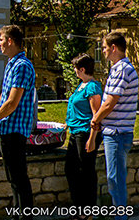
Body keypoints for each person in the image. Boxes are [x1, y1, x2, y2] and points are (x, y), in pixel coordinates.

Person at [0, 24, 36, 209]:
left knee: (19, 179)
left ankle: (24, 215)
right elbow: (3, 97)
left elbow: (12, 102)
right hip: (7, 129)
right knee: (13, 179)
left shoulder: (22, 66)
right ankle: (18, 213)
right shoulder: (12, 64)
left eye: (2, 40)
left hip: (15, 131)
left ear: (10, 41)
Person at [91, 29, 138, 207]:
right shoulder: (120, 69)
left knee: (115, 180)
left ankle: (121, 216)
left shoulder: (121, 70)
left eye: (103, 48)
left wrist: (95, 119)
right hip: (118, 132)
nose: (102, 51)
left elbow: (110, 102)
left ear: (113, 48)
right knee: (115, 179)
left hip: (117, 133)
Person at [64, 52, 103, 209]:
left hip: (86, 133)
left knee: (85, 171)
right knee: (71, 169)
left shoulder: (92, 87)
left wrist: (92, 138)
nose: (74, 70)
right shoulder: (81, 86)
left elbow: (96, 115)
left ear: (81, 69)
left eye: (75, 67)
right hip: (75, 132)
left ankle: (87, 208)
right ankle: (78, 204)